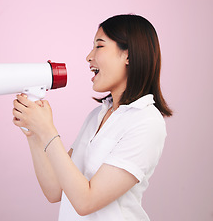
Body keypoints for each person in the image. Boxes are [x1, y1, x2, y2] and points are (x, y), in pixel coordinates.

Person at [12, 14, 172, 220]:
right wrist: (33, 132)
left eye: (100, 46)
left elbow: (86, 201)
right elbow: (55, 190)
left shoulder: (146, 122)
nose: (89, 56)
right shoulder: (98, 115)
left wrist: (47, 130)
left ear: (128, 56)